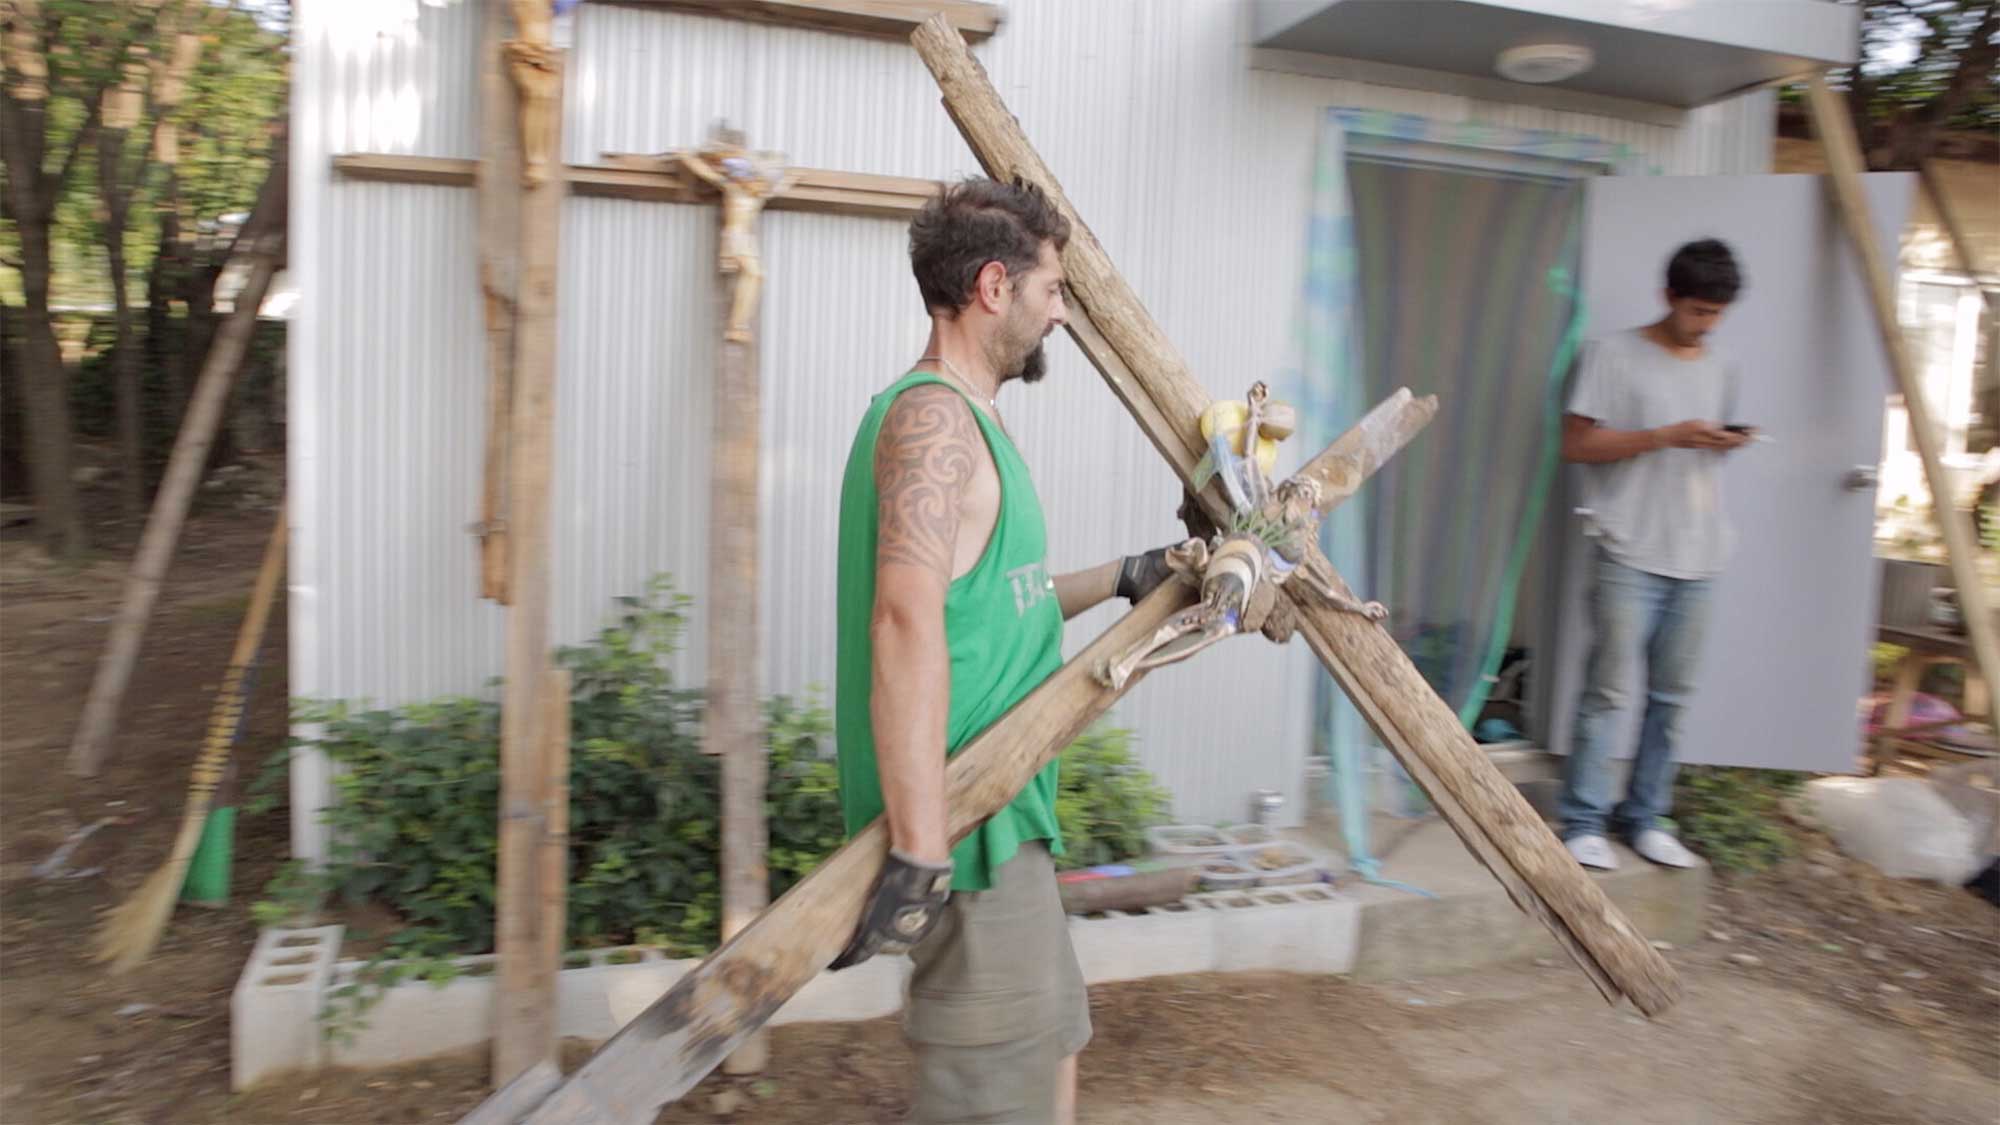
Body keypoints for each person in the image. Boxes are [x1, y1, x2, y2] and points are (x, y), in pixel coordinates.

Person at [828, 177, 1175, 1124]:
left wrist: (1123, 576)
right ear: (994, 286)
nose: (1059, 312)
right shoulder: (933, 420)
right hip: (967, 828)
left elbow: (997, 603)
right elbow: (905, 622)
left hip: (1006, 820)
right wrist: (920, 845)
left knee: (1051, 1049)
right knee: (997, 1090)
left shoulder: (965, 421)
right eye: (1051, 290)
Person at [1556, 238, 1753, 872]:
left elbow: (1698, 452)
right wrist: (1664, 436)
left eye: (1718, 313)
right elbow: (1576, 446)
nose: (1708, 324)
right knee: (1608, 693)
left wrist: (1720, 442)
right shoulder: (1612, 355)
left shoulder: (1722, 367)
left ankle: (1644, 818)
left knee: (1672, 699)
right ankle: (1583, 821)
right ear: (1669, 296)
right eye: (1698, 311)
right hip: (1630, 547)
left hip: (1701, 554)